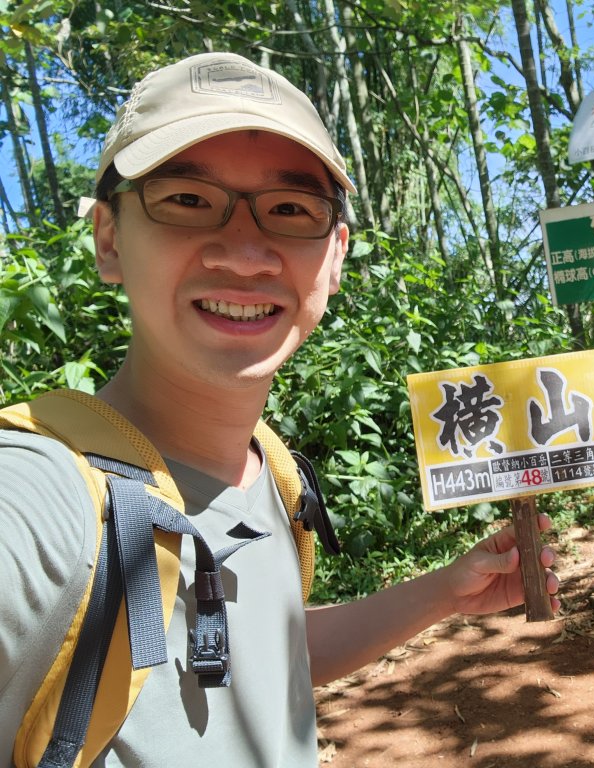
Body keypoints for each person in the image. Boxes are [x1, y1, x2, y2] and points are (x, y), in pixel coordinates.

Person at [0, 52, 559, 766]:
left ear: (334, 257)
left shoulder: (271, 470)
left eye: (291, 210)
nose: (244, 252)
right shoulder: (44, 501)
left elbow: (261, 650)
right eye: (187, 200)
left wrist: (446, 591)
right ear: (109, 238)